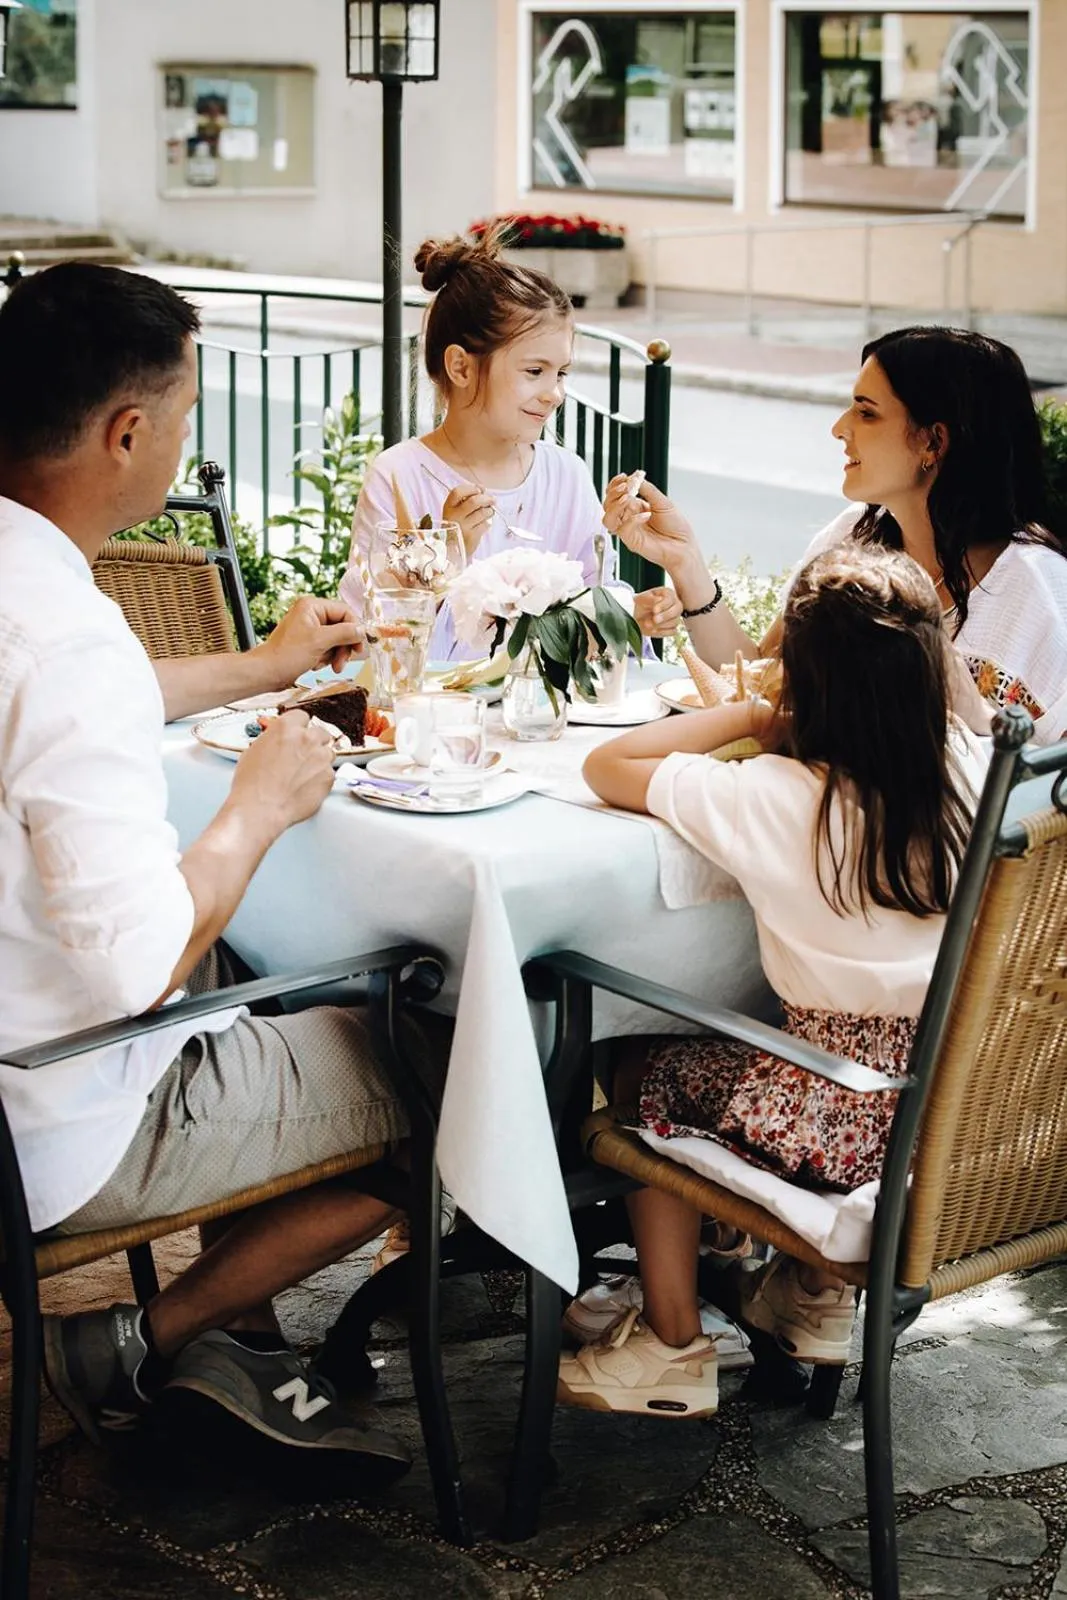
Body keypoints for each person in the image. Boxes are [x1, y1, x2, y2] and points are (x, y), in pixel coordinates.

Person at [0, 262, 433, 1475]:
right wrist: (256, 808)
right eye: (184, 417)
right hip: (57, 1113)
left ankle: (235, 1345)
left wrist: (259, 667)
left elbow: (72, 702)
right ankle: (150, 1335)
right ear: (126, 432)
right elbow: (139, 965)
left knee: (278, 969)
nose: (182, 443)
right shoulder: (64, 638)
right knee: (466, 1064)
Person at [557, 544, 988, 1416]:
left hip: (837, 1121)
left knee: (646, 1070)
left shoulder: (777, 793)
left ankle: (671, 1339)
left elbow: (607, 768)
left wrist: (753, 713)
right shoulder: (963, 765)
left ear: (805, 682)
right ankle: (811, 1296)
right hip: (948, 1104)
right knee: (752, 1040)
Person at [605, 326, 1067, 744]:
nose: (839, 428)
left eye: (866, 413)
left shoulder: (1037, 587)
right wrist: (684, 560)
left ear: (933, 441)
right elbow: (754, 674)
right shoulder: (852, 537)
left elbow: (1043, 785)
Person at [338, 228, 680, 659]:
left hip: (552, 718)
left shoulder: (566, 475)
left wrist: (632, 613)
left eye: (561, 373)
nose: (554, 393)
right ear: (461, 367)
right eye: (534, 371)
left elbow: (594, 596)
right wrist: (442, 554)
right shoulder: (399, 476)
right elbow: (369, 628)